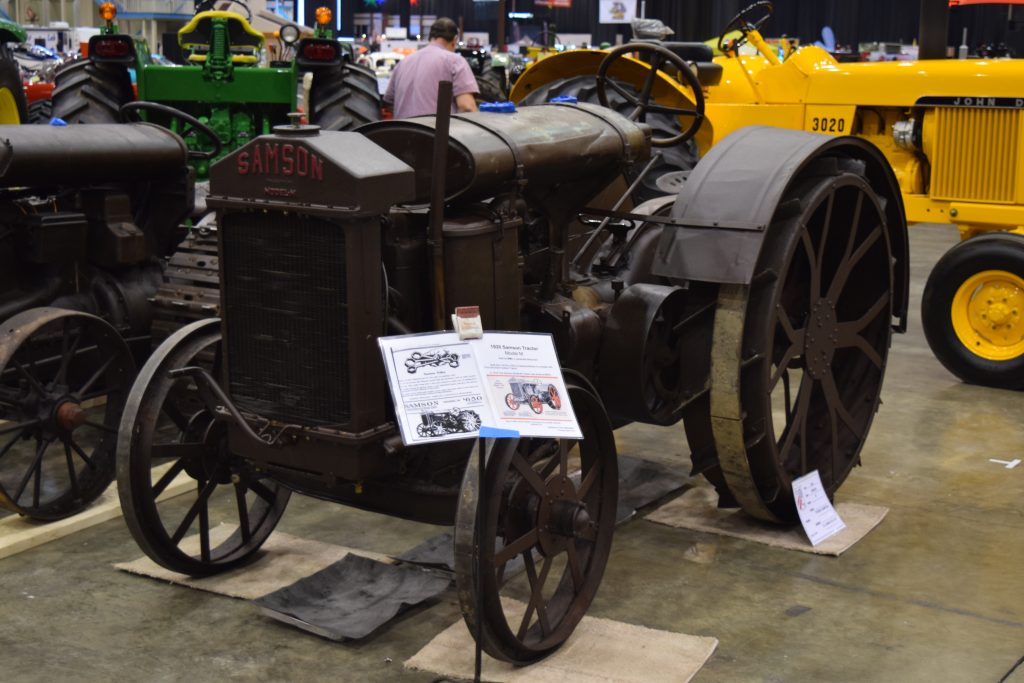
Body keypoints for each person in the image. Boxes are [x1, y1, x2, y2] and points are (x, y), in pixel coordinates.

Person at [383, 17, 478, 119]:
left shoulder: (403, 63)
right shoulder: (455, 61)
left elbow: (388, 102)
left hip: (402, 132)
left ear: (430, 37)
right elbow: (467, 107)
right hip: (435, 133)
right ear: (454, 40)